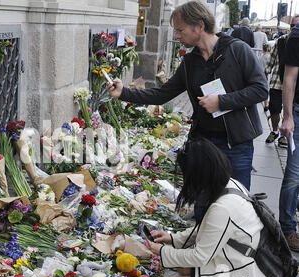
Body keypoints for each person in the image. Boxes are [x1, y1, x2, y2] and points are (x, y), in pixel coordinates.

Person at [106, 0, 268, 192]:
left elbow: (260, 89)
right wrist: (123, 92)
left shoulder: (237, 49)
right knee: (201, 202)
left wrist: (221, 102)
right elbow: (162, 94)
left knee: (237, 200)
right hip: (202, 145)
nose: (176, 36)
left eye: (180, 30)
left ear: (199, 26)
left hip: (236, 145)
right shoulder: (190, 62)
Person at [144, 137, 273, 277]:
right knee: (183, 268)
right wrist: (173, 239)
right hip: (244, 265)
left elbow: (199, 257)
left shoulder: (223, 207)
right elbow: (211, 229)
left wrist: (162, 252)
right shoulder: (231, 184)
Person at [278, 15, 299, 252]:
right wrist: (288, 115)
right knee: (294, 174)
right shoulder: (297, 36)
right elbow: (289, 78)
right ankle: (287, 228)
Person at [264, 34, 288, 147]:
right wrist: (266, 71)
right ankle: (275, 131)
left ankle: (284, 135)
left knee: (289, 112)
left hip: (293, 86)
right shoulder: (281, 40)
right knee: (274, 109)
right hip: (277, 82)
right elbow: (272, 59)